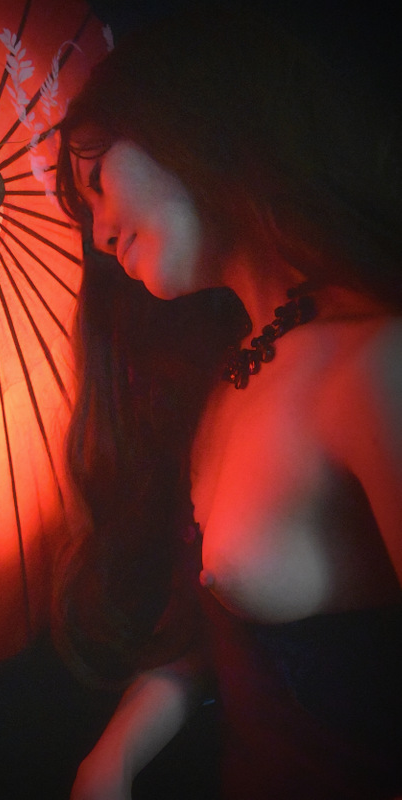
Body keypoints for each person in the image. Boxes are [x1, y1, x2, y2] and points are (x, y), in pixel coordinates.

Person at [52, 3, 402, 798]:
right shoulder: (230, 380)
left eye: (97, 182)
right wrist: (111, 761)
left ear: (194, 121)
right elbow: (218, 625)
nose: (99, 235)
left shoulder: (374, 366)